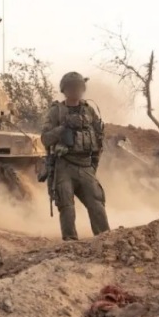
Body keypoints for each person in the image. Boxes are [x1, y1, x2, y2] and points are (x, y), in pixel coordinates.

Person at [41, 72, 110, 240]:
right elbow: (45, 139)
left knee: (97, 206)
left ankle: (105, 242)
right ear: (64, 90)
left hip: (86, 165)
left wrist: (94, 164)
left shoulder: (89, 110)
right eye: (71, 87)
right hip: (65, 165)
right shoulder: (56, 112)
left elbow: (99, 138)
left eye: (78, 87)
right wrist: (64, 127)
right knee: (67, 207)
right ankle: (70, 244)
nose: (75, 90)